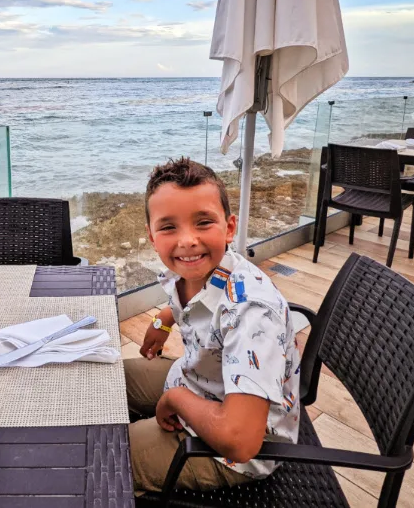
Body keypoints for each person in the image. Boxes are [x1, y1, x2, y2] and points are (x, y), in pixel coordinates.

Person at [125, 156, 300, 494]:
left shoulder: (252, 314)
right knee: (101, 382)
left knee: (100, 456)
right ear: (151, 235)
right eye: (169, 227)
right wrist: (163, 319)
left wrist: (175, 399)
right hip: (201, 382)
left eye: (203, 222)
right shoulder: (201, 268)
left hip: (235, 451)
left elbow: (240, 441)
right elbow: (199, 302)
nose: (187, 240)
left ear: (229, 227)